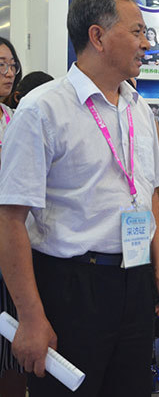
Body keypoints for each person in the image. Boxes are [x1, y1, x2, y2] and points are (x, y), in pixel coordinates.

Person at [0, 0, 159, 396]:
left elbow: (148, 197)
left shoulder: (139, 108)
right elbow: (9, 220)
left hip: (135, 280)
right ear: (97, 36)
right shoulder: (42, 109)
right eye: (136, 32)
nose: (146, 43)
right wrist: (30, 316)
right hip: (71, 286)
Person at [0, 37, 25, 397]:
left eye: (11, 65)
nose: (8, 73)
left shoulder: (16, 120)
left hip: (13, 245)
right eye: (0, 65)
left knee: (13, 350)